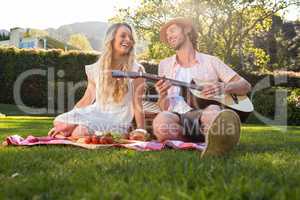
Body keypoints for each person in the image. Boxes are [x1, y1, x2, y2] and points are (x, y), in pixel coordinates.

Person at [153, 18, 252, 156]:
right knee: (160, 121)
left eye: (172, 30)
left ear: (186, 29)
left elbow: (245, 86)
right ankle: (207, 141)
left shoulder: (211, 61)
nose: (169, 36)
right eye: (166, 35)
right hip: (179, 119)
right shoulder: (164, 65)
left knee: (212, 111)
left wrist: (224, 87)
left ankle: (212, 137)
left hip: (204, 115)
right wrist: (162, 94)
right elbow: (164, 107)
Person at [48, 23, 146, 139]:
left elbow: (137, 104)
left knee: (81, 131)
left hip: (118, 118)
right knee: (60, 121)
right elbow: (87, 98)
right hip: (96, 112)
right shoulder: (96, 68)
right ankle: (70, 132)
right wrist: (70, 121)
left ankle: (70, 135)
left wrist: (141, 129)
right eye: (123, 36)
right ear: (112, 39)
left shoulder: (136, 70)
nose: (128, 40)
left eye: (130, 37)